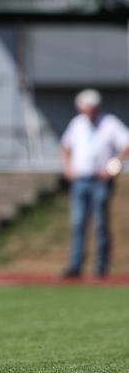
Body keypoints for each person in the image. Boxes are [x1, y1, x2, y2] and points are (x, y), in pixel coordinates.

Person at [61, 89, 129, 279]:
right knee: (78, 223)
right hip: (80, 179)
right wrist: (68, 168)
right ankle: (75, 266)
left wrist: (113, 168)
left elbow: (126, 144)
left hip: (100, 181)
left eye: (91, 109)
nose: (88, 113)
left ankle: (101, 268)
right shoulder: (77, 124)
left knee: (100, 224)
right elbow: (66, 146)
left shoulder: (110, 123)